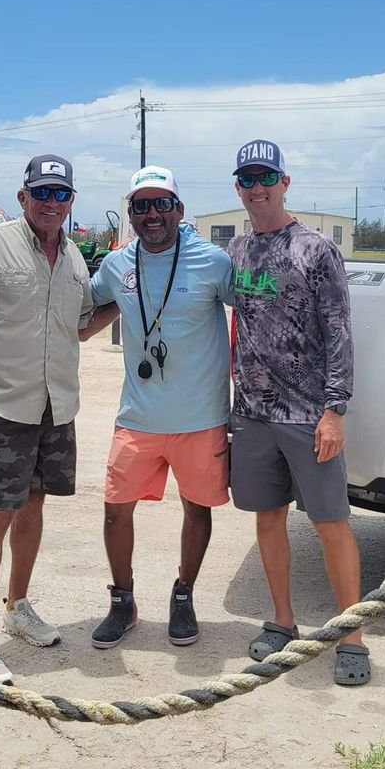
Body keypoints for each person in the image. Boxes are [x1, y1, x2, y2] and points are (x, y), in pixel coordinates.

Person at [0, 155, 93, 685]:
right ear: (23, 195)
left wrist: (127, 302)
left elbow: (80, 327)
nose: (52, 203)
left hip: (55, 408)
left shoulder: (74, 258)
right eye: (42, 192)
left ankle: (17, 606)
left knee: (34, 506)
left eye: (61, 194)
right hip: (3, 408)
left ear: (71, 200)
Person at [227, 139, 370, 686]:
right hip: (254, 413)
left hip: (308, 414)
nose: (256, 187)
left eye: (266, 177)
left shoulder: (315, 249)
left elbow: (339, 331)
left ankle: (350, 635)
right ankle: (282, 622)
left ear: (285, 182)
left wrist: (334, 410)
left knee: (331, 523)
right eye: (246, 179)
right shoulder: (238, 252)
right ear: (237, 187)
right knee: (268, 517)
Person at [80, 166, 232, 649]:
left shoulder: (212, 261)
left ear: (178, 210)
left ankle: (183, 595)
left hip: (200, 417)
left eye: (160, 203)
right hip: (138, 416)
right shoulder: (116, 265)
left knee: (197, 508)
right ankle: (122, 600)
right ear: (131, 213)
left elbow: (258, 308)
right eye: (141, 205)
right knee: (114, 510)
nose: (151, 214)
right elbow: (85, 308)